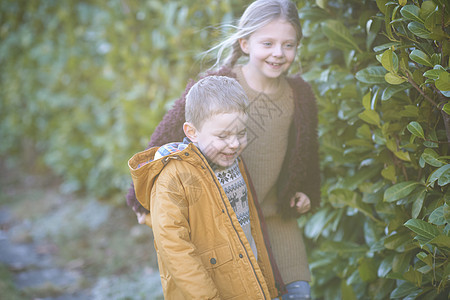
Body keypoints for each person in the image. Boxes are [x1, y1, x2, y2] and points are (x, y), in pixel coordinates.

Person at [126, 0, 320, 299]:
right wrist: (141, 201)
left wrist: (305, 190)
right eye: (267, 43)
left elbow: (306, 154)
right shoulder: (220, 85)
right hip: (226, 224)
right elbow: (163, 141)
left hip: (278, 223)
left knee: (298, 291)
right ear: (245, 43)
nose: (278, 53)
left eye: (288, 44)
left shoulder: (300, 94)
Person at [128, 76, 281, 299]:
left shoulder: (234, 162)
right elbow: (174, 244)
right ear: (192, 132)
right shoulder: (174, 176)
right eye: (223, 136)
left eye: (241, 133)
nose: (235, 144)